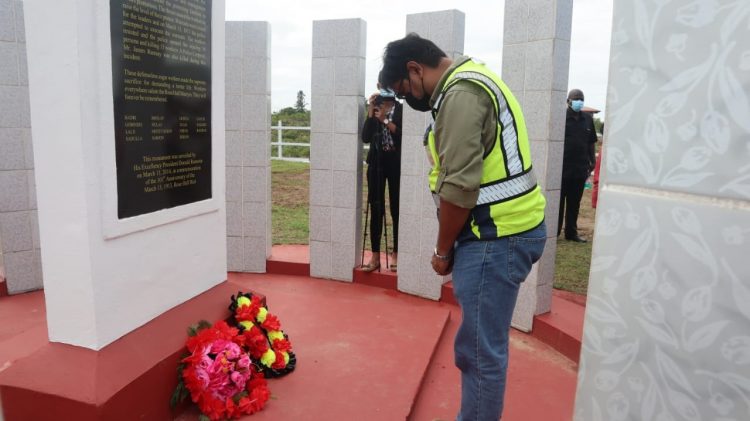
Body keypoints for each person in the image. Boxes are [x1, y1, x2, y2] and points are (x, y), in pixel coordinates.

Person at [379, 33, 547, 420]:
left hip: (495, 236)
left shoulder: (460, 95)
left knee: (478, 354)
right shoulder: (474, 79)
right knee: (479, 348)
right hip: (505, 231)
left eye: (404, 91)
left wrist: (442, 251)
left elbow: (459, 187)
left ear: (415, 70)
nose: (407, 100)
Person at [360, 87, 402, 272]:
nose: (381, 101)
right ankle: (375, 256)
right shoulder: (375, 112)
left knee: (396, 208)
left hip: (396, 163)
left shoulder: (401, 111)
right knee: (376, 208)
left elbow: (401, 135)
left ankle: (396, 253)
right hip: (377, 163)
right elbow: (366, 137)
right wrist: (371, 113)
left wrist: (384, 120)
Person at [558, 89, 597, 242]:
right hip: (562, 168)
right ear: (568, 101)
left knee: (575, 203)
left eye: (581, 98)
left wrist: (592, 161)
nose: (579, 101)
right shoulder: (560, 118)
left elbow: (591, 141)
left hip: (580, 169)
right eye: (576, 99)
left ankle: (571, 233)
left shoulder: (587, 119)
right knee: (559, 202)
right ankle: (554, 232)